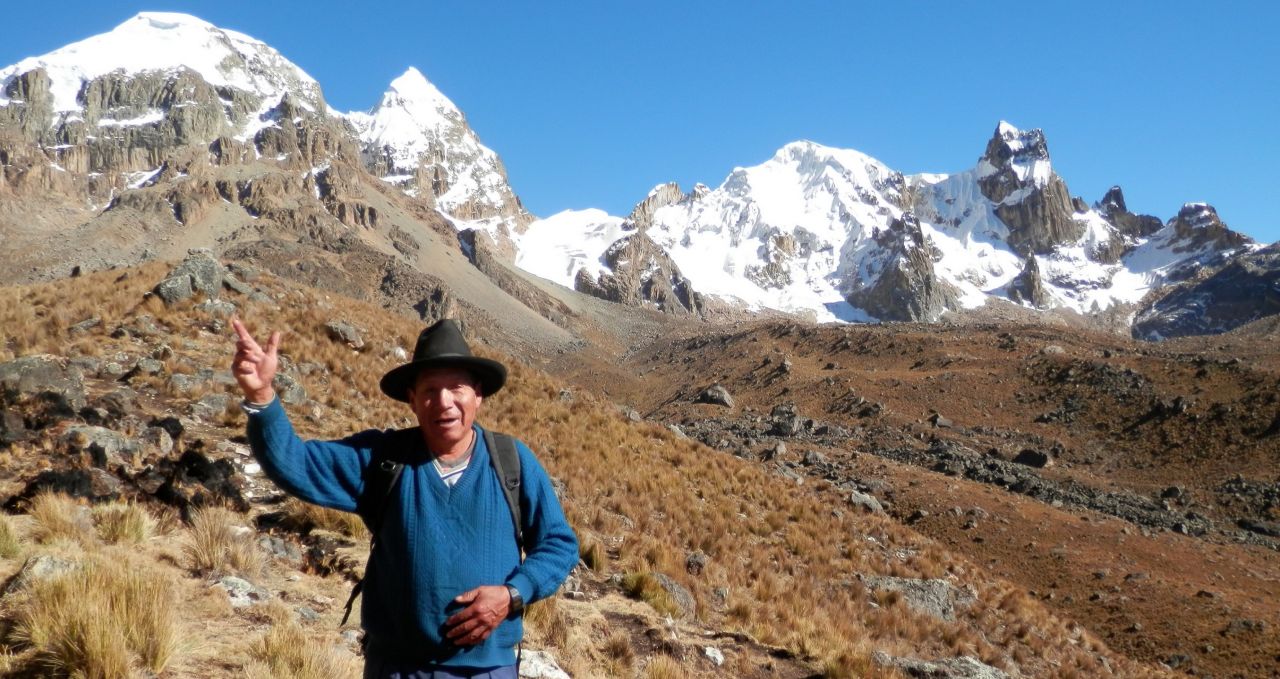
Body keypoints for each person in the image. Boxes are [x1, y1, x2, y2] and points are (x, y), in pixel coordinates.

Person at [231, 317, 579, 678]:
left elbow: (558, 543)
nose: (443, 402)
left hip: (487, 670)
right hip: (396, 669)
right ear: (412, 400)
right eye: (429, 390)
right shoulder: (383, 458)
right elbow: (295, 463)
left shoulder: (512, 461)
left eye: (456, 388)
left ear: (478, 396)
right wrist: (261, 398)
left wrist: (513, 594)